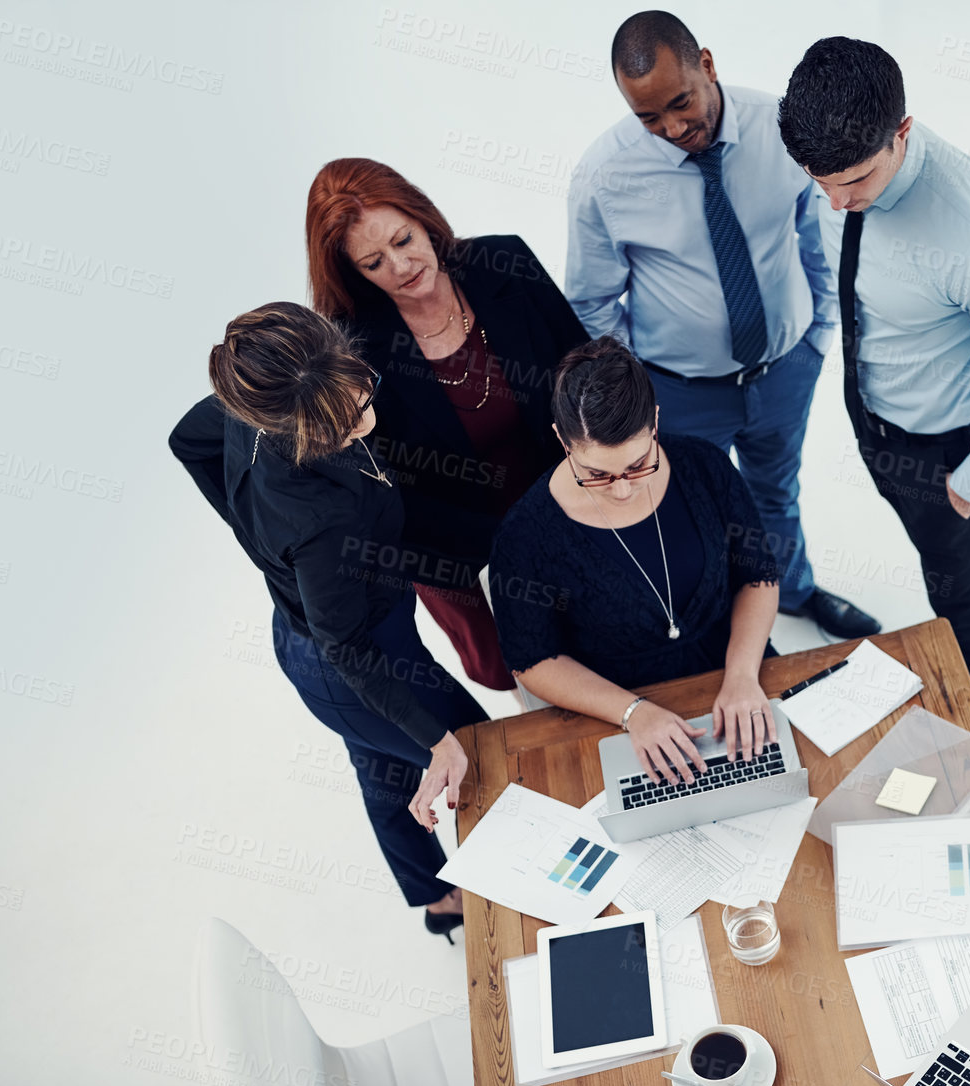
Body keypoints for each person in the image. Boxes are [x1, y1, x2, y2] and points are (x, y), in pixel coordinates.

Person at [779, 37, 970, 746]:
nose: (836, 201)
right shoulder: (833, 156)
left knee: (966, 610)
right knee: (942, 585)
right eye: (821, 183)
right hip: (878, 419)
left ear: (902, 134)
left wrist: (966, 489)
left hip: (953, 455)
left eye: (855, 181)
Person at [168, 302, 482, 940]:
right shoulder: (315, 522)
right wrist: (438, 738)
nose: (366, 409)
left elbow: (186, 438)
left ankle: (436, 896)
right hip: (348, 661)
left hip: (336, 628)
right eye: (341, 418)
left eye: (357, 387)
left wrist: (255, 535)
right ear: (290, 423)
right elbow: (348, 649)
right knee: (482, 752)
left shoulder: (258, 399)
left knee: (381, 769)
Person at [565, 10, 879, 640]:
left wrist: (818, 336)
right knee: (693, 513)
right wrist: (641, 389)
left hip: (784, 371)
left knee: (776, 495)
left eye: (681, 103)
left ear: (706, 64)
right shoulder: (604, 178)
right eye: (648, 118)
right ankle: (714, 631)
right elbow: (591, 302)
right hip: (679, 392)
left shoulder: (782, 131)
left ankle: (795, 593)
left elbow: (818, 234)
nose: (673, 128)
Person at [306, 158, 591, 693]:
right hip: (466, 562)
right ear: (353, 273)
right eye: (373, 262)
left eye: (404, 238)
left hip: (574, 511)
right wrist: (513, 547)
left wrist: (588, 497)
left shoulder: (503, 259)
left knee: (607, 643)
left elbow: (583, 368)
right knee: (534, 685)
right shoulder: (350, 348)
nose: (400, 265)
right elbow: (389, 498)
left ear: (421, 215)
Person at [488, 336, 783, 782]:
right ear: (561, 440)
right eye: (596, 474)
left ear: (655, 421)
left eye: (638, 464)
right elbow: (534, 661)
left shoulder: (705, 466)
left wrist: (741, 675)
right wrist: (633, 713)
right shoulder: (525, 536)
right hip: (617, 710)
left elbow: (757, 576)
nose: (623, 489)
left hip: (739, 673)